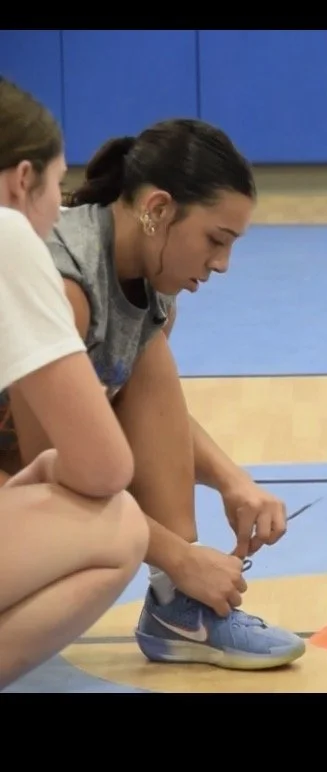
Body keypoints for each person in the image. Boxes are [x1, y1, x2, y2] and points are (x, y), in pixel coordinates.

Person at [0, 119, 306, 672]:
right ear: (159, 209)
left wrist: (233, 480)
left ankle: (176, 610)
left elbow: (115, 403)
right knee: (111, 539)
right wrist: (183, 558)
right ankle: (176, 589)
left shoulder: (149, 280)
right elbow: (55, 472)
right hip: (24, 475)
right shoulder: (66, 284)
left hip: (28, 470)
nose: (222, 265)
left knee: (148, 358)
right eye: (216, 240)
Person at [0, 78, 149, 688]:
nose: (60, 208)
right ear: (22, 180)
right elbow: (105, 467)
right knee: (120, 524)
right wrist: (52, 469)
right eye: (55, 187)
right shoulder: (10, 235)